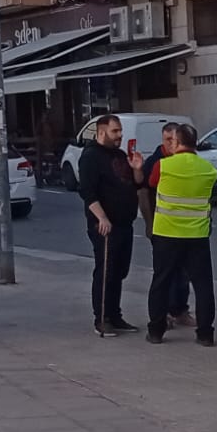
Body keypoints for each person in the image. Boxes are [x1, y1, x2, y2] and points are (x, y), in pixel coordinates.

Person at [143, 122, 217, 347]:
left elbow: (151, 183)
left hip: (167, 233)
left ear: (176, 142)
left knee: (161, 282)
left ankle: (156, 331)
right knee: (203, 285)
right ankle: (205, 334)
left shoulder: (163, 166)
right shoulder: (209, 169)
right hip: (197, 235)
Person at [77, 112, 143, 336]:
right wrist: (101, 217)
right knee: (106, 270)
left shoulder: (120, 154)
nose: (120, 135)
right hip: (105, 224)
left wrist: (136, 169)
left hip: (125, 222)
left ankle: (115, 315)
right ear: (102, 132)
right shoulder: (91, 156)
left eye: (120, 131)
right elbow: (86, 191)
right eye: (115, 131)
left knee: (120, 271)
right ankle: (102, 318)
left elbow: (136, 184)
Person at [139, 124, 193, 329]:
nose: (171, 144)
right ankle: (164, 315)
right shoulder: (156, 162)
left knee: (183, 273)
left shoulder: (184, 160)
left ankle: (180, 310)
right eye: (167, 140)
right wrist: (149, 223)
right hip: (162, 227)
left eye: (173, 139)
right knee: (164, 273)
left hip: (184, 228)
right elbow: (143, 193)